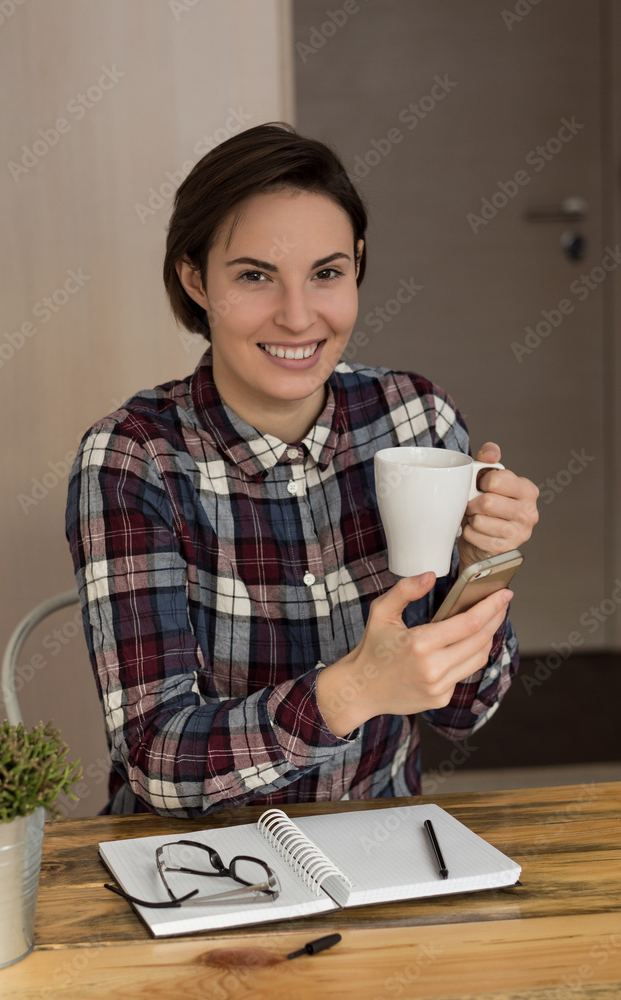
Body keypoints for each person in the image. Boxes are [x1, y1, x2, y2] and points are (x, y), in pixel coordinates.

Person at [66, 122, 539, 816]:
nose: (297, 316)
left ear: (357, 265)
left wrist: (475, 568)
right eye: (255, 276)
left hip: (379, 845)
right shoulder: (135, 459)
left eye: (326, 273)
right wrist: (350, 693)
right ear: (194, 279)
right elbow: (156, 764)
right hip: (196, 861)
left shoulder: (417, 420)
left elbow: (466, 711)